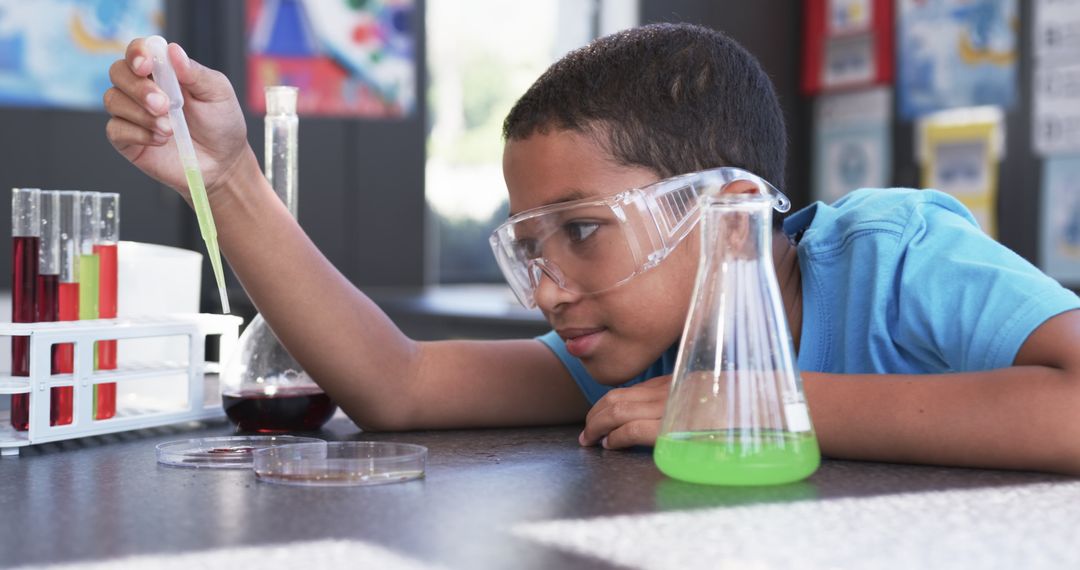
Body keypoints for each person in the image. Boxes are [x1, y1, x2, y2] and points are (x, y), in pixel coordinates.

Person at [104, 23, 1080, 474]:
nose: (549, 290)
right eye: (531, 248)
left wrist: (743, 408)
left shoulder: (895, 255)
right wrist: (228, 175)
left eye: (580, 232)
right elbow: (397, 387)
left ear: (728, 213)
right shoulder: (644, 350)